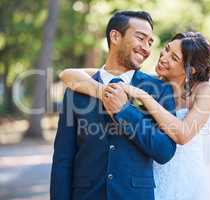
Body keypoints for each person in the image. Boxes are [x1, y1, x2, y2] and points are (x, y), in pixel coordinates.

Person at [60, 31, 210, 199]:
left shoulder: (204, 90)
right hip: (153, 174)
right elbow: (71, 74)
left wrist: (143, 96)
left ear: (191, 69)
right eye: (166, 50)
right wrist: (101, 89)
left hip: (186, 176)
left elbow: (182, 134)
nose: (163, 58)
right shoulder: (152, 82)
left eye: (174, 58)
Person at [50, 11, 178, 200]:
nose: (146, 48)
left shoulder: (159, 90)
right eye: (141, 38)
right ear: (115, 36)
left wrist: (125, 111)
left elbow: (165, 151)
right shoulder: (76, 90)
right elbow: (63, 159)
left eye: (150, 42)